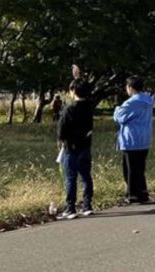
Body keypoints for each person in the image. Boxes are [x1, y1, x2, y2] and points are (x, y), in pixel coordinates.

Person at [56, 77, 94, 220]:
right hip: (85, 145)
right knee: (85, 176)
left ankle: (70, 208)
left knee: (70, 177)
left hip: (71, 147)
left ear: (73, 91)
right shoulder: (89, 107)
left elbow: (61, 130)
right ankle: (87, 205)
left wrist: (62, 141)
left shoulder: (69, 109)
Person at [114, 75, 154, 204]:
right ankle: (142, 193)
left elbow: (119, 117)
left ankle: (132, 194)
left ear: (130, 88)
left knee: (129, 169)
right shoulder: (148, 99)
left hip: (131, 139)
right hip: (144, 139)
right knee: (140, 169)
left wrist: (116, 109)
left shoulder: (131, 102)